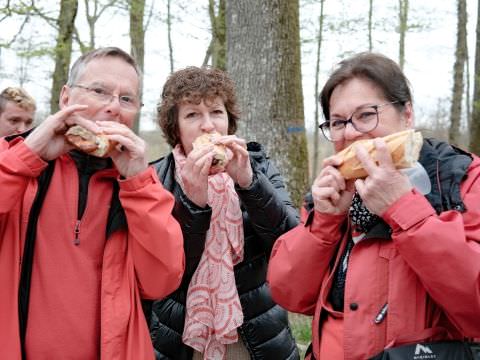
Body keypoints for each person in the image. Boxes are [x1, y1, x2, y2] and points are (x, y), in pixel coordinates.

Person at [267, 52, 480, 359]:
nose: (351, 133)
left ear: (407, 114)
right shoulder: (332, 194)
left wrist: (403, 208)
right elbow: (290, 294)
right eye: (338, 122)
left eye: (366, 115)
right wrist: (323, 223)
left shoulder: (462, 179)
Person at [0, 47, 185, 360]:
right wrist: (27, 156)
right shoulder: (17, 160)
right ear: (66, 97)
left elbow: (161, 281)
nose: (113, 107)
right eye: (99, 91)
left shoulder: (141, 183)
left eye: (126, 99)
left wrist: (139, 183)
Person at [147, 66, 300, 360]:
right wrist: (193, 203)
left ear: (229, 120)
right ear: (174, 127)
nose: (208, 126)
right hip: (182, 337)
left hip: (254, 332)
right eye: (192, 114)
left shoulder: (259, 167)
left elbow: (289, 244)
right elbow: (166, 273)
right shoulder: (156, 178)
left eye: (216, 112)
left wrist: (250, 184)